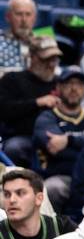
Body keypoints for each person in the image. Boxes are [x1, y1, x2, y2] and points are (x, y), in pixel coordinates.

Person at [34, 65, 84, 209]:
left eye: (78, 84)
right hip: (61, 176)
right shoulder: (46, 117)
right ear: (58, 88)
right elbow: (55, 147)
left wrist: (68, 140)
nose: (74, 88)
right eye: (68, 84)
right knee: (51, 189)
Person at [0, 36, 61, 167]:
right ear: (32, 57)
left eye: (54, 59)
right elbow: (4, 110)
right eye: (46, 59)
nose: (51, 65)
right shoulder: (12, 79)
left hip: (56, 137)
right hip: (23, 137)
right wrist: (37, 103)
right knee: (14, 148)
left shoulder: (61, 83)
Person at [0, 0, 39, 74]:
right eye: (19, 14)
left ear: (34, 18)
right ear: (8, 17)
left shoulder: (44, 40)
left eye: (28, 14)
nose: (24, 20)